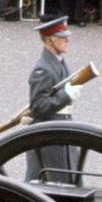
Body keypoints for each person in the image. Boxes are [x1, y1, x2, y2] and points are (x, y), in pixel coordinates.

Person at [25, 16, 81, 183]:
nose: (67, 40)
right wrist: (67, 95)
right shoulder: (43, 69)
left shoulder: (58, 62)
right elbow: (38, 106)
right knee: (55, 182)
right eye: (62, 37)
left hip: (61, 128)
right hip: (49, 135)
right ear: (49, 40)